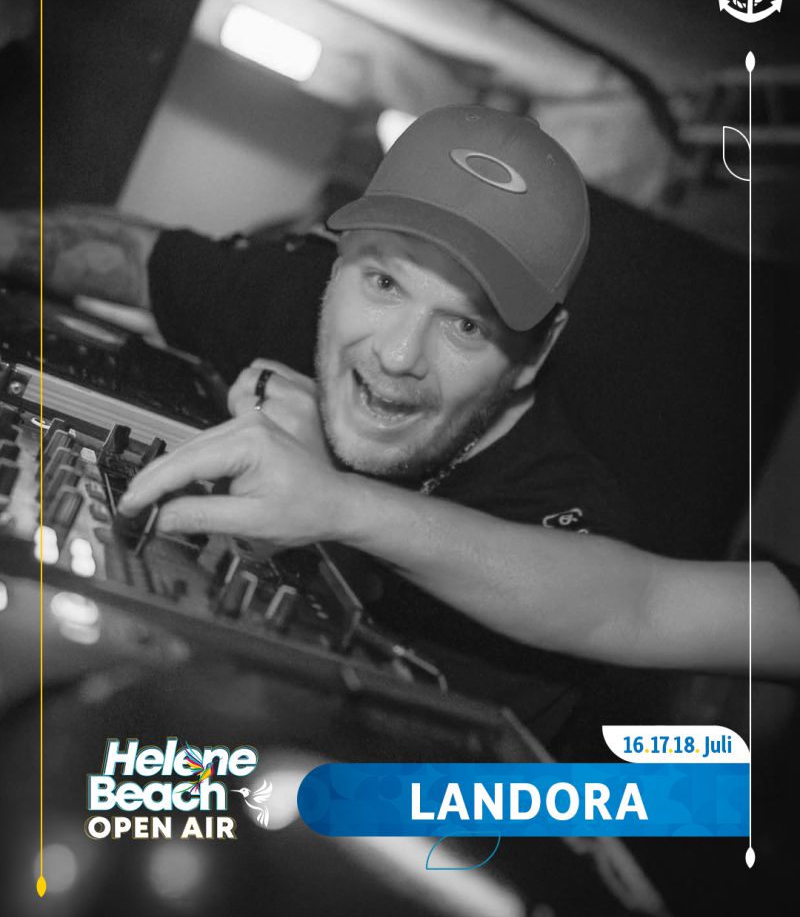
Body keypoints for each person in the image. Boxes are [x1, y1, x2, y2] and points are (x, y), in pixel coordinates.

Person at [2, 106, 798, 746]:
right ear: (338, 254)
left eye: (467, 327)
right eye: (383, 281)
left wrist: (335, 505)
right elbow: (136, 258)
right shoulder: (302, 297)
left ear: (535, 353)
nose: (396, 353)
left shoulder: (560, 512)